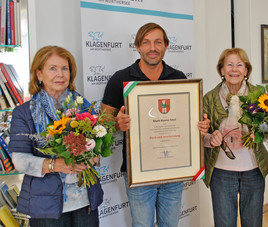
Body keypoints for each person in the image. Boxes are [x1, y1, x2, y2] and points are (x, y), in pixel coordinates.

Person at [101, 22, 209, 227]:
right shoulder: (121, 79)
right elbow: (103, 123)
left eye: (158, 42)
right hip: (139, 171)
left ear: (166, 46)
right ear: (138, 47)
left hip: (174, 170)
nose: (152, 48)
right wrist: (117, 124)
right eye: (146, 42)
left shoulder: (178, 78)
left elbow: (187, 122)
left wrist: (200, 126)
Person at [9, 46, 103, 227]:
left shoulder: (84, 106)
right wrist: (56, 164)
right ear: (39, 74)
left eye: (64, 68)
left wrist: (93, 156)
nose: (60, 74)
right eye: (52, 68)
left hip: (86, 202)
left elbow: (97, 146)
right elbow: (19, 160)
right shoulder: (24, 113)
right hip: (47, 208)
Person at [203, 48, 268, 227]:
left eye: (239, 65)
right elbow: (200, 134)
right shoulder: (209, 98)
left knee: (253, 223)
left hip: (254, 170)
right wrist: (210, 138)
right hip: (221, 172)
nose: (234, 69)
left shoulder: (261, 95)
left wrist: (261, 131)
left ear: (246, 70)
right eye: (229, 65)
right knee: (224, 223)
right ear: (221, 70)